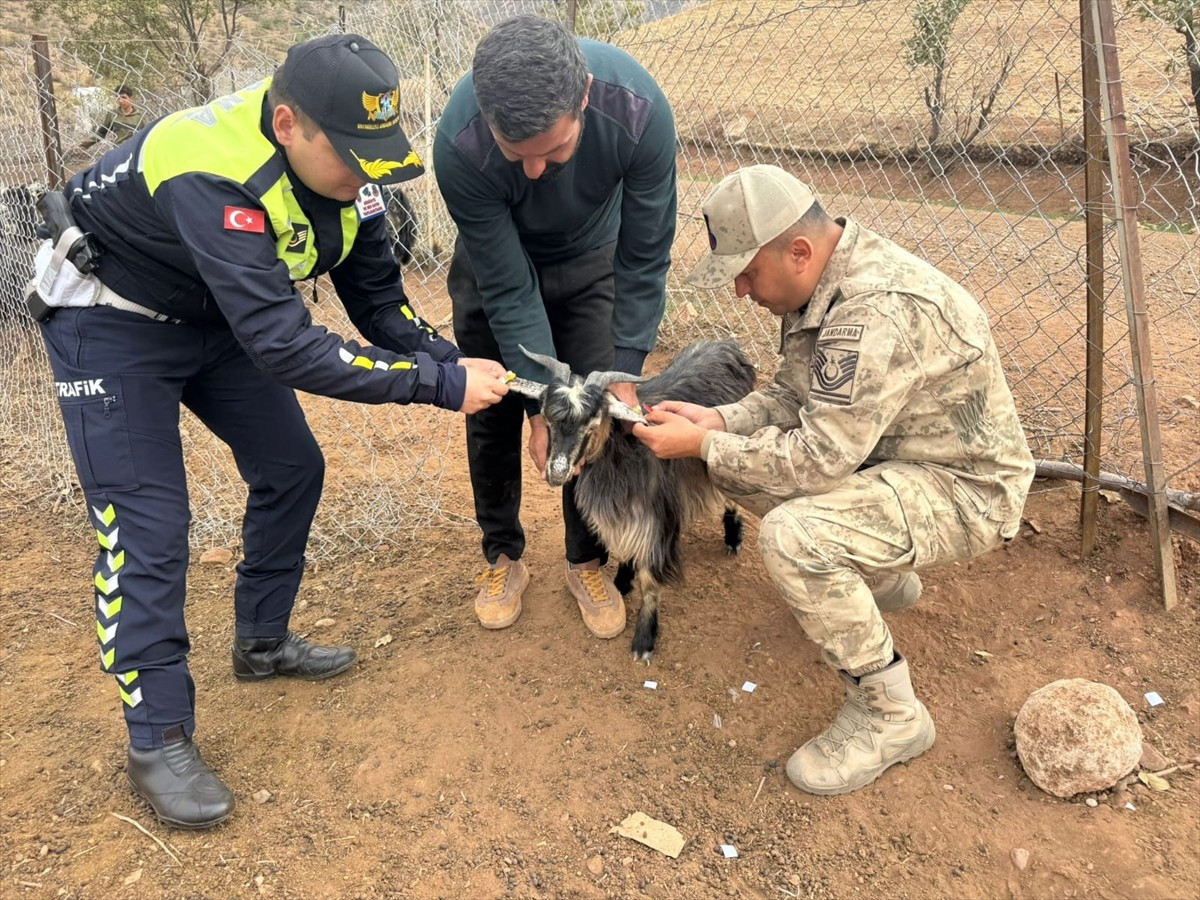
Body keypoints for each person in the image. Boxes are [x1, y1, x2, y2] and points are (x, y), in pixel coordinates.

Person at [32, 34, 509, 829]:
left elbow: (379, 304)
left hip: (216, 314)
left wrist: (448, 359)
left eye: (375, 157)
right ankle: (157, 739)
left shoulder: (354, 181)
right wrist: (439, 387)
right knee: (147, 524)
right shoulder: (208, 165)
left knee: (292, 466)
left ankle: (261, 641)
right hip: (110, 322)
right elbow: (286, 347)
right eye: (350, 157)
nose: (365, 175)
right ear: (288, 125)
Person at [633, 165, 1034, 796]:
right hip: (890, 456)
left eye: (747, 272)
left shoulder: (873, 311)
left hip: (965, 488)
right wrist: (720, 420)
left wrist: (704, 443)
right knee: (731, 462)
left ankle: (890, 714)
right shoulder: (819, 283)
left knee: (794, 535)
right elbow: (795, 399)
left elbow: (817, 459)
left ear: (798, 251)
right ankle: (877, 577)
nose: (739, 290)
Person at [433, 16, 677, 639]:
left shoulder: (640, 113)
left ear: (585, 97)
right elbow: (509, 287)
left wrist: (626, 366)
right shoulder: (459, 143)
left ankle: (584, 560)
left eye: (555, 149)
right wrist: (540, 400)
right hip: (496, 268)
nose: (536, 172)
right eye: (517, 155)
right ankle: (503, 555)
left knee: (590, 414)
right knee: (492, 408)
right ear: (488, 120)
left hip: (592, 261)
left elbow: (645, 255)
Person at [79, 84, 145, 151]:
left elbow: (144, 137)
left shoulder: (139, 117)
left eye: (124, 97)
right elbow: (101, 133)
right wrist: (85, 144)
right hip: (118, 150)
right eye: (118, 98)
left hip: (133, 151)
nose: (120, 101)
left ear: (131, 99)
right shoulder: (112, 114)